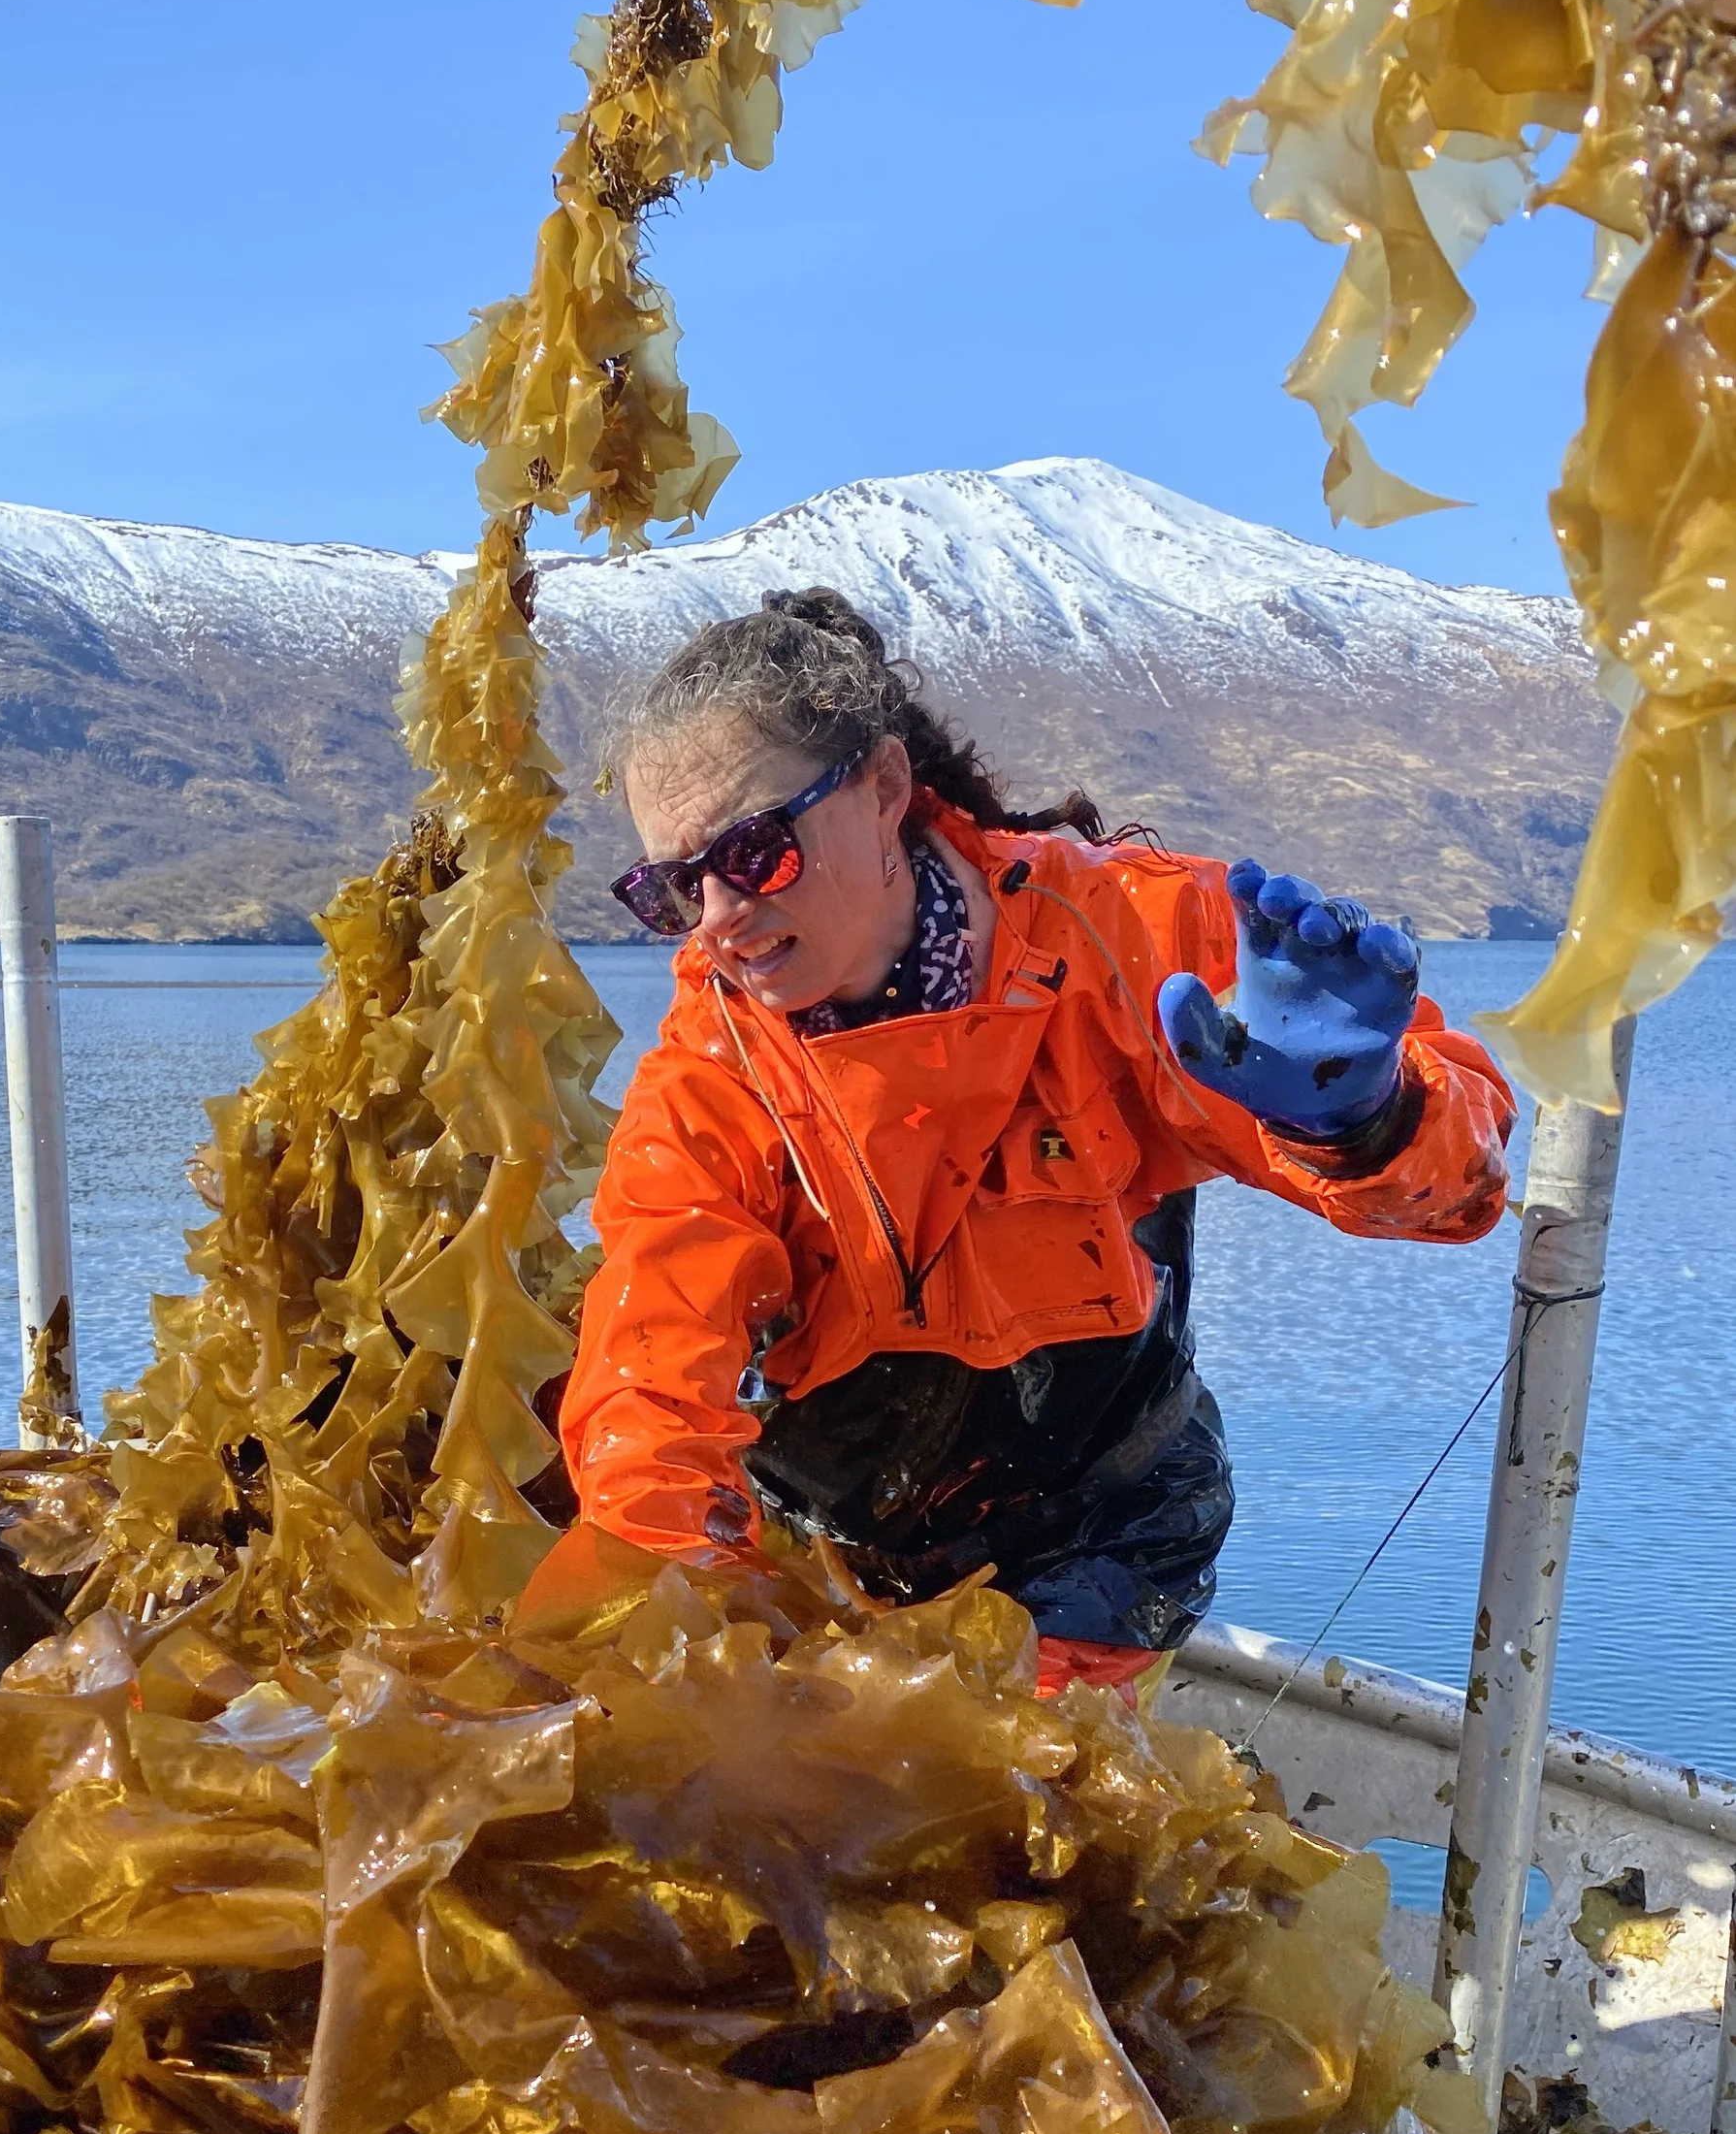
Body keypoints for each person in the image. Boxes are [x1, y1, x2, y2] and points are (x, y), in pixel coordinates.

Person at [540, 589, 1515, 1689]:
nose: (719, 914)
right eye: (675, 887)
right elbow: (648, 1387)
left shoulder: (1127, 938)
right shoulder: (707, 1075)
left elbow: (1460, 1191)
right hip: (826, 1560)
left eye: (756, 852)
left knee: (1015, 1793)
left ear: (884, 789)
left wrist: (1366, 1115)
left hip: (1101, 1544)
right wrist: (676, 1629)